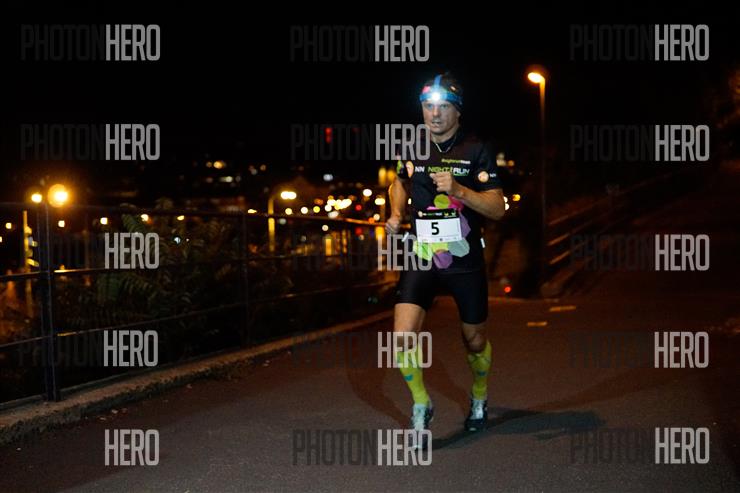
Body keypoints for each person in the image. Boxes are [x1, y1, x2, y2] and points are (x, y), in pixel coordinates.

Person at [385, 73, 505, 444]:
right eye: (428, 106)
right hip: (422, 253)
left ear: (457, 111)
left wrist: (459, 190)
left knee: (474, 340)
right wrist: (395, 213)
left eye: (443, 107)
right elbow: (399, 182)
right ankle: (421, 403)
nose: (434, 114)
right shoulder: (412, 145)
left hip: (463, 258)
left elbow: (498, 208)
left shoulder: (476, 149)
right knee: (402, 336)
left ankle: (479, 395)